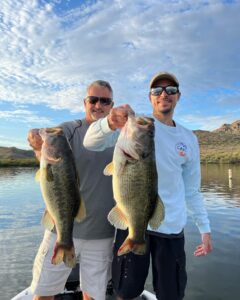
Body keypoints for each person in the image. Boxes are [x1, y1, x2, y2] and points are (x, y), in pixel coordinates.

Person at [83, 72, 213, 300]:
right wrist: (110, 122)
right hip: (131, 220)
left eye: (170, 90)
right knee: (125, 291)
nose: (164, 94)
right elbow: (90, 142)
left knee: (171, 293)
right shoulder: (132, 126)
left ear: (178, 96)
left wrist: (205, 228)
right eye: (157, 91)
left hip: (170, 226)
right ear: (150, 97)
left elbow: (192, 190)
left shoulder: (189, 138)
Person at [28, 80, 116, 300]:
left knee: (94, 295)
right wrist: (37, 145)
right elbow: (46, 155)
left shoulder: (121, 136)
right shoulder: (68, 129)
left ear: (111, 105)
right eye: (93, 100)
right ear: (84, 102)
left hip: (102, 233)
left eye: (104, 101)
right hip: (61, 230)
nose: (98, 105)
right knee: (43, 292)